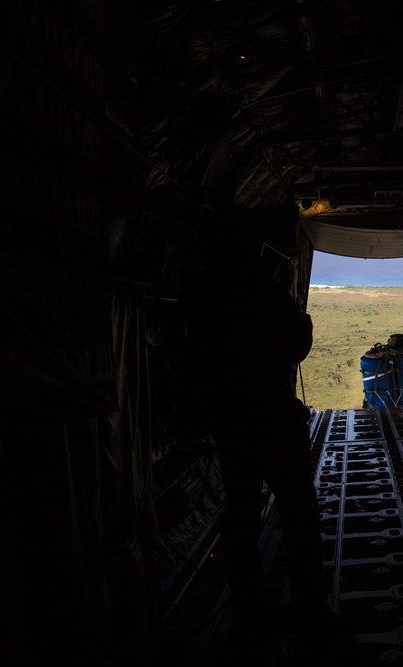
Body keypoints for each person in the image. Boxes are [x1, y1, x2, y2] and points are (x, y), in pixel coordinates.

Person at [172, 204, 325, 639]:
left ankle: (250, 614)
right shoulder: (263, 290)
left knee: (240, 514)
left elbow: (187, 358)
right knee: (298, 513)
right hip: (273, 416)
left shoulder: (197, 292)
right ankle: (310, 612)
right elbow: (295, 346)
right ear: (252, 246)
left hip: (231, 421)